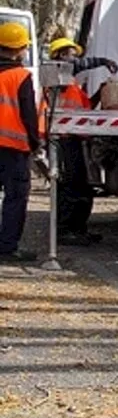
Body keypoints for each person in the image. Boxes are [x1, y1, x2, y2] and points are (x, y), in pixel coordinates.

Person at [46, 37, 118, 245]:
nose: (74, 58)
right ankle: (65, 230)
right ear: (59, 56)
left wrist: (101, 91)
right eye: (70, 53)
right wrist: (103, 61)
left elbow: (86, 108)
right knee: (71, 185)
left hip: (76, 137)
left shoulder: (73, 85)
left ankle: (78, 228)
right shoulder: (56, 75)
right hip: (63, 138)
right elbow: (78, 65)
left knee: (83, 186)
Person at [0, 22, 40, 263]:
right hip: (13, 149)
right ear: (21, 48)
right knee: (15, 197)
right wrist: (36, 143)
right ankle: (7, 247)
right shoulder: (21, 76)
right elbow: (28, 114)